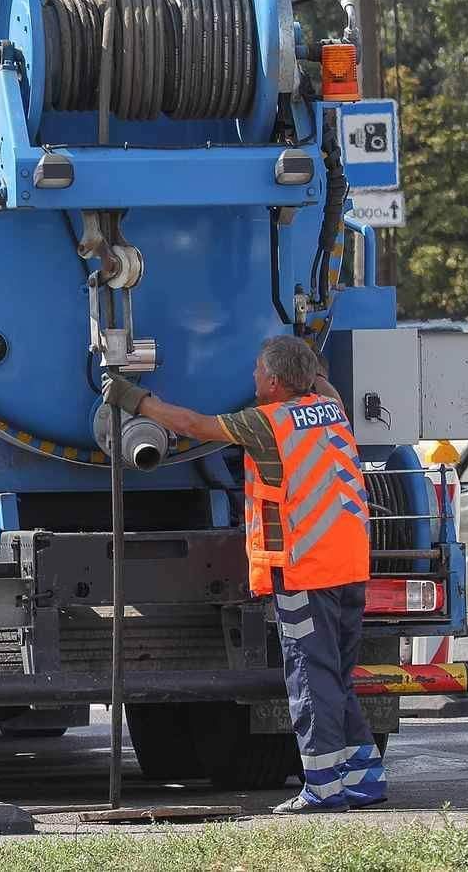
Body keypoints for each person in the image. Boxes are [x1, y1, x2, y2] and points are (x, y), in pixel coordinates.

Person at [102, 335, 386, 814]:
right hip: (349, 566)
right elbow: (317, 380)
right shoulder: (332, 408)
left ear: (274, 382)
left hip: (305, 571)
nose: (251, 377)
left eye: (257, 370)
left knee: (310, 678)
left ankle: (321, 788)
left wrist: (134, 398)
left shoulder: (267, 423)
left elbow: (194, 425)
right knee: (337, 675)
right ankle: (364, 779)